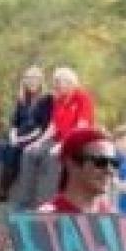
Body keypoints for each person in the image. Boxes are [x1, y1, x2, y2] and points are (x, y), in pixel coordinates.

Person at [14, 66, 95, 209]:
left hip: (76, 142)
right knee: (29, 153)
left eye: (58, 81)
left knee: (53, 157)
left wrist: (63, 144)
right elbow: (53, 127)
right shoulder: (58, 99)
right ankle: (24, 203)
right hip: (57, 139)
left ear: (70, 83)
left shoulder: (83, 98)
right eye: (55, 81)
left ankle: (44, 205)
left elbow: (81, 128)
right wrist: (37, 142)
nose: (55, 84)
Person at [0, 66, 53, 203]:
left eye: (35, 79)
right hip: (20, 135)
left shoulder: (46, 100)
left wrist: (22, 139)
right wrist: (14, 136)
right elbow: (15, 123)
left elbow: (42, 127)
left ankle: (2, 190)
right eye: (28, 78)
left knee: (13, 149)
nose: (31, 82)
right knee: (3, 145)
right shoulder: (22, 100)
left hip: (35, 137)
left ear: (41, 81)